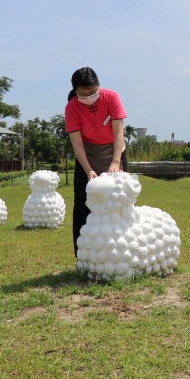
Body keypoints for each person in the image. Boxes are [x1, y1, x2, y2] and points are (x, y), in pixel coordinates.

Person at [64, 67, 127, 257]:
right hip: (87, 153)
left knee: (119, 199)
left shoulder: (111, 97)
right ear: (75, 91)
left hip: (114, 150)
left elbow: (118, 132)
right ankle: (83, 253)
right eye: (83, 94)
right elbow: (77, 144)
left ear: (98, 86)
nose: (89, 97)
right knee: (83, 203)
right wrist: (88, 170)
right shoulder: (72, 107)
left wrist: (115, 162)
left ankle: (121, 247)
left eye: (93, 92)